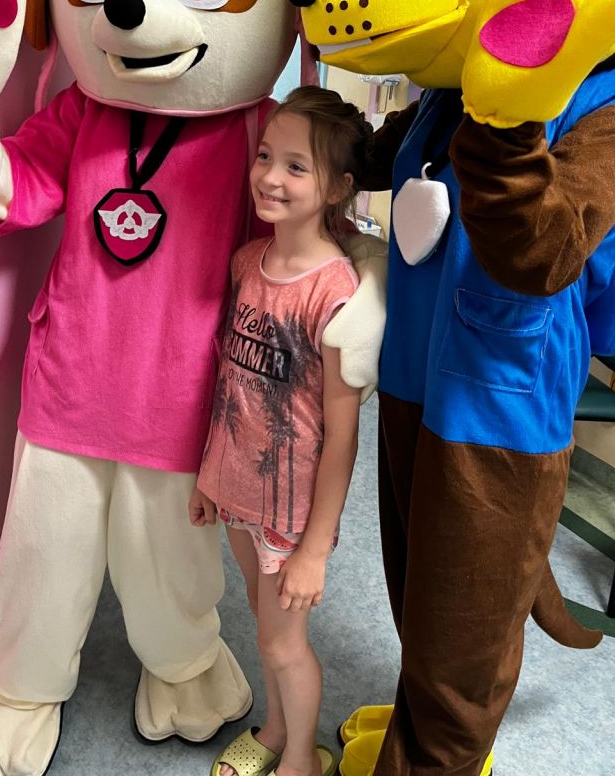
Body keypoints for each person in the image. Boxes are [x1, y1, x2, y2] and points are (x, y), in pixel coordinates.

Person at [189, 86, 373, 776]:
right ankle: (273, 731)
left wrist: (315, 550)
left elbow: (343, 436)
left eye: (297, 166)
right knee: (265, 625)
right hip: (237, 487)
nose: (270, 176)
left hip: (292, 513)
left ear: (338, 187)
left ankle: (301, 757)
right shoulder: (246, 262)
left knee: (284, 643)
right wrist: (209, 480)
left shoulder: (336, 292)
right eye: (266, 156)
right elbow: (229, 384)